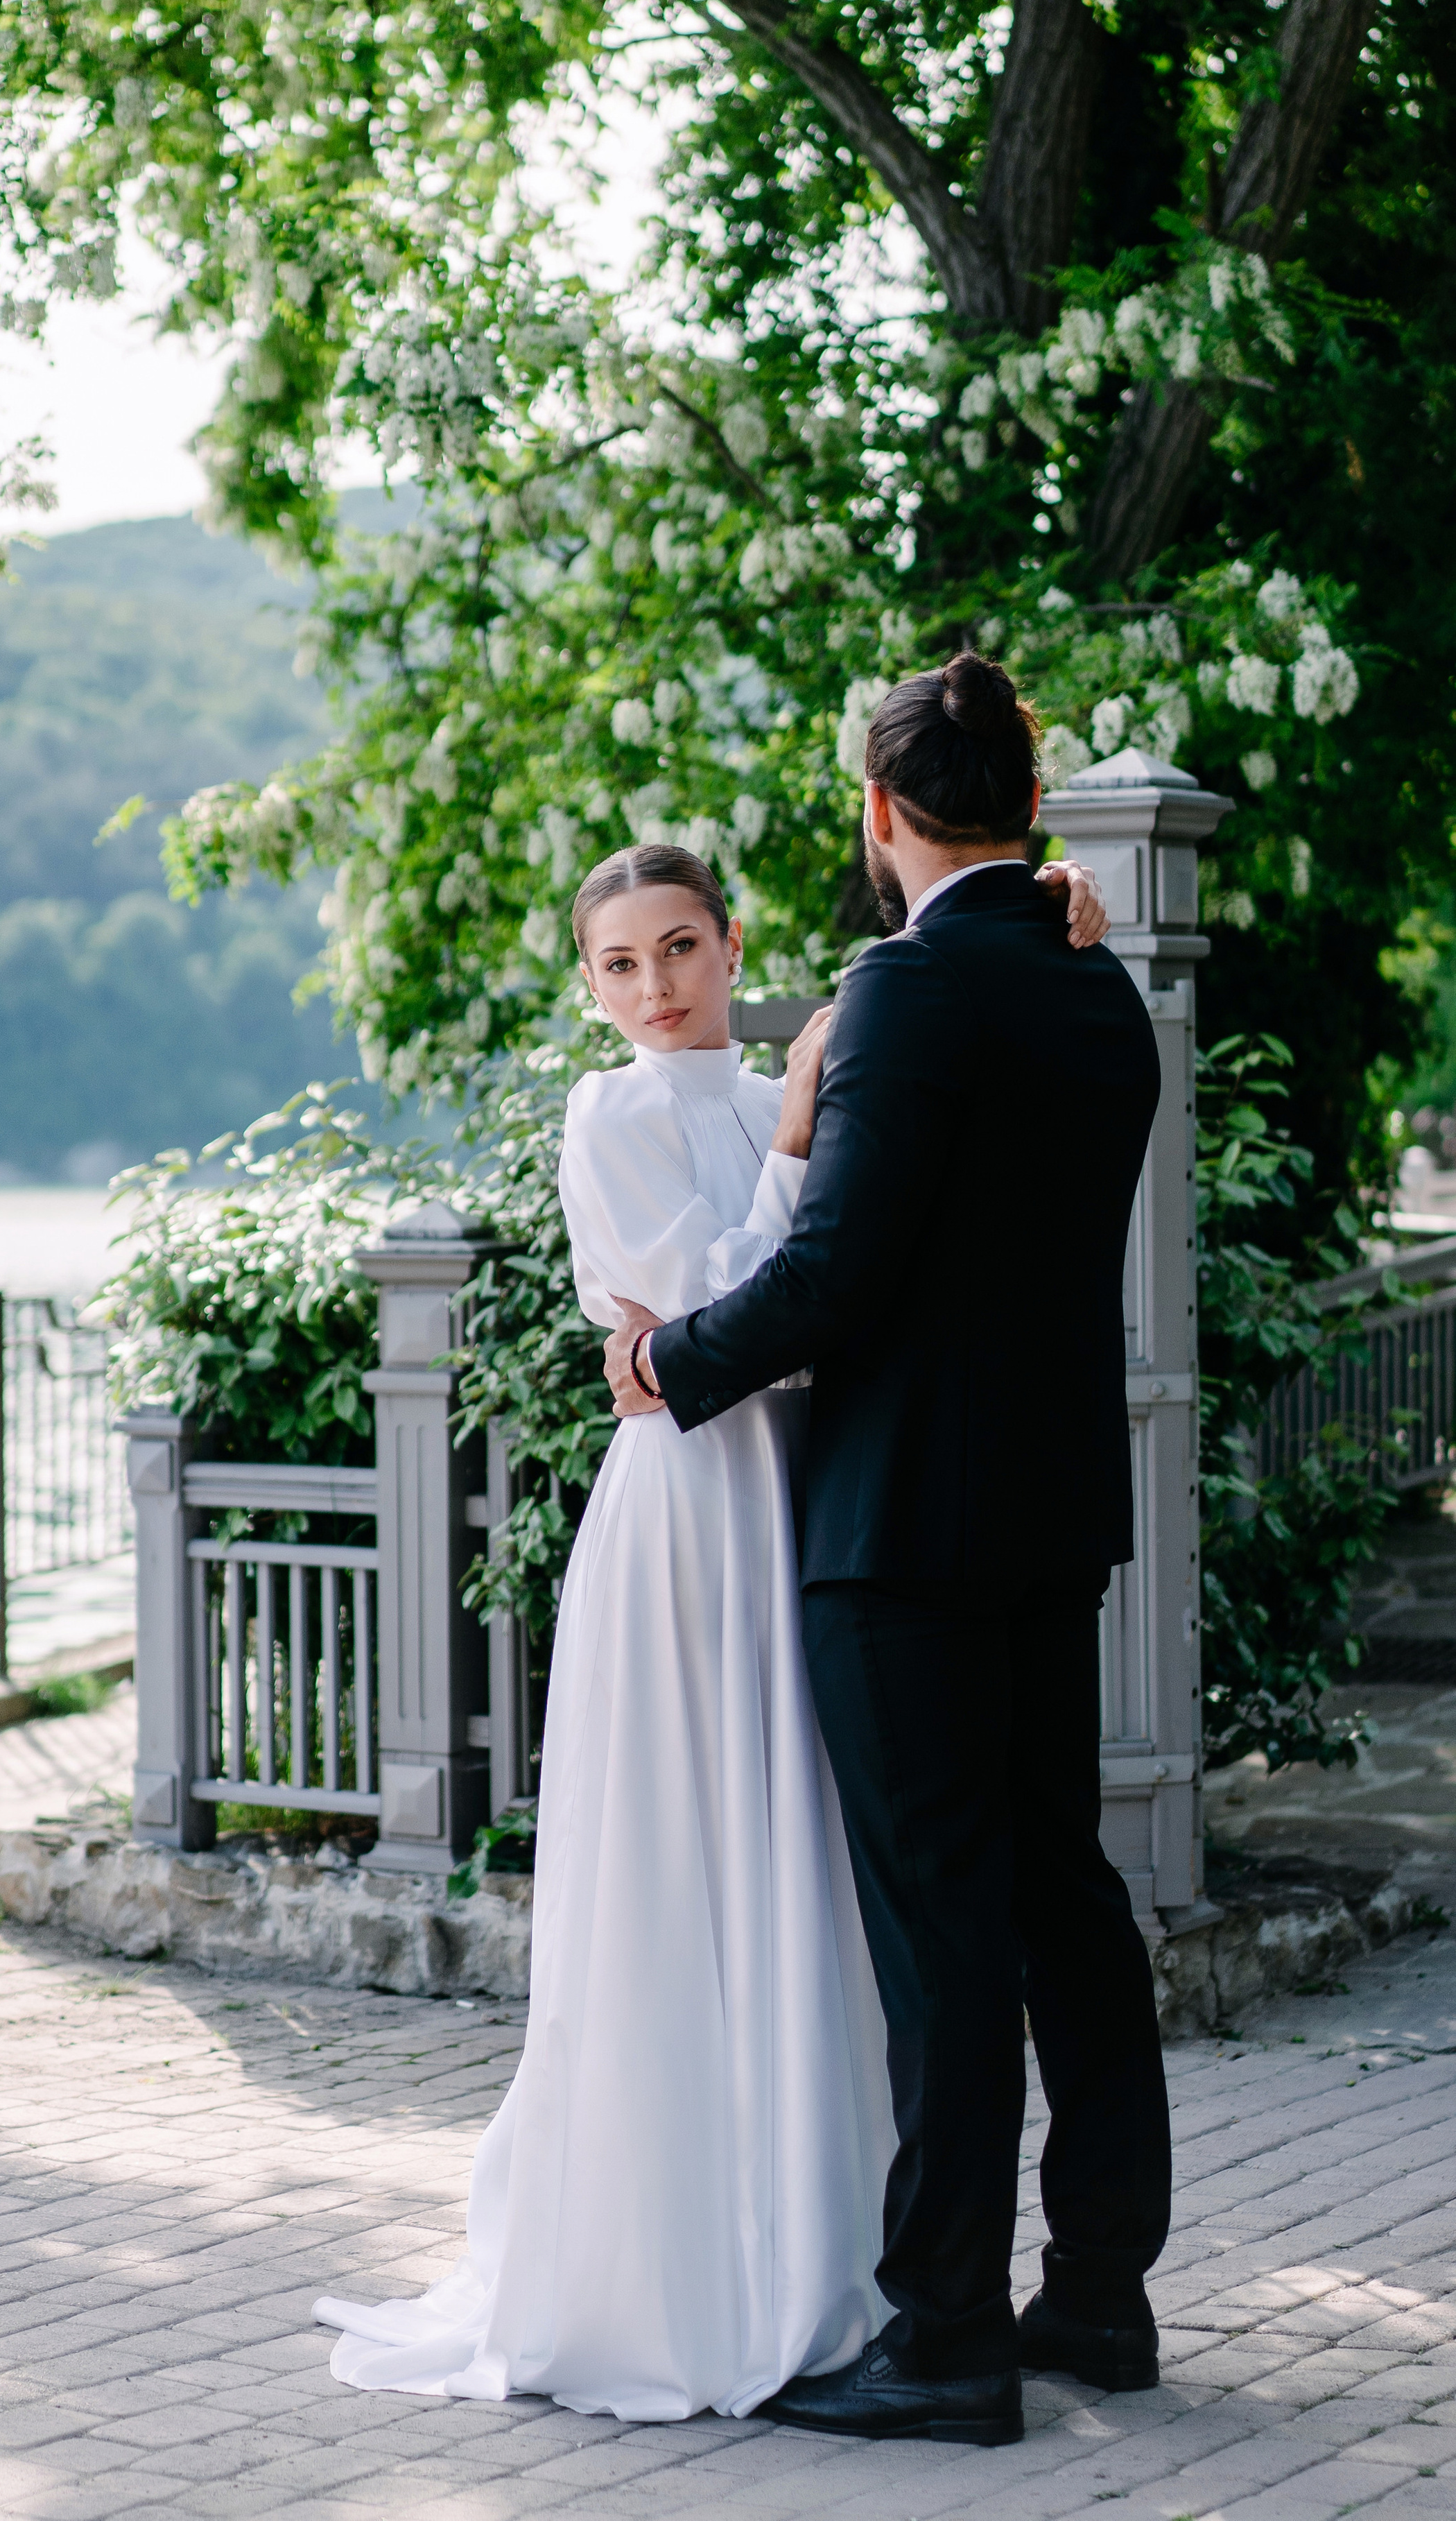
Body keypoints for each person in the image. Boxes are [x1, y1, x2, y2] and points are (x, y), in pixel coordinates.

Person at [314, 795, 1111, 2428]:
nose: (656, 983)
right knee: (693, 1853)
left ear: (732, 946)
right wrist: (799, 1155)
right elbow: (724, 1301)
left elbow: (823, 1284)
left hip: (811, 1490)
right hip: (687, 1515)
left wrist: (1050, 903)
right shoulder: (608, 1119)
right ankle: (684, 2261)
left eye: (680, 948)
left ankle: (827, 2256)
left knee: (818, 1868)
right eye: (621, 963)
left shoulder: (790, 1077)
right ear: (590, 989)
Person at [606, 653, 1171, 2448]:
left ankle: (940, 2337)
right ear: (1031, 799)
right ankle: (1095, 2294)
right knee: (1067, 1904)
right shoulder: (1106, 993)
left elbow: (837, 1272)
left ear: (879, 813)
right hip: (1050, 1515)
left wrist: (669, 1360)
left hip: (901, 1532)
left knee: (943, 1939)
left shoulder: (906, 992)